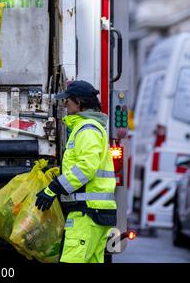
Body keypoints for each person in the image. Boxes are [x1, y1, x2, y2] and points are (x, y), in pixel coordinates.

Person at [35, 80, 117, 263]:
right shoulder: (90, 128)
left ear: (79, 102)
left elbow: (86, 168)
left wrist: (53, 188)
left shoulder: (87, 129)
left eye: (68, 100)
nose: (65, 104)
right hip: (94, 213)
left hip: (86, 214)